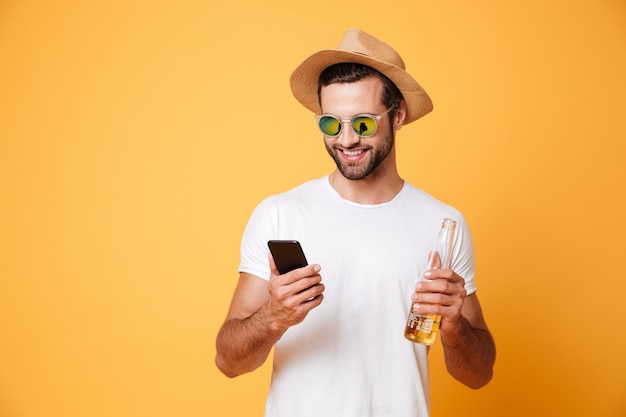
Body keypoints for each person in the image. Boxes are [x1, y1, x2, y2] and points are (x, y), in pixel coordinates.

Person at [215, 28, 496, 417]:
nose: (346, 140)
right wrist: (273, 317)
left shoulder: (443, 224)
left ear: (397, 116)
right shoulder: (280, 214)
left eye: (362, 123)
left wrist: (453, 327)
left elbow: (479, 373)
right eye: (331, 124)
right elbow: (229, 362)